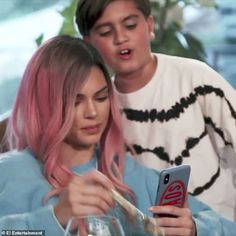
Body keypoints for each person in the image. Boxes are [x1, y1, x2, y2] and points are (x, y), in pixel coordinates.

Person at [0, 35, 236, 235]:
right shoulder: (10, 172)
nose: (92, 112)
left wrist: (195, 228)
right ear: (45, 103)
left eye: (101, 98)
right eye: (75, 101)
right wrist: (54, 217)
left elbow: (227, 228)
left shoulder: (131, 174)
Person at [75, 0, 236, 221]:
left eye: (130, 26)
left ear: (149, 26)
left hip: (221, 223)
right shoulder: (97, 110)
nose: (120, 38)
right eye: (105, 32)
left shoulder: (196, 79)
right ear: (89, 44)